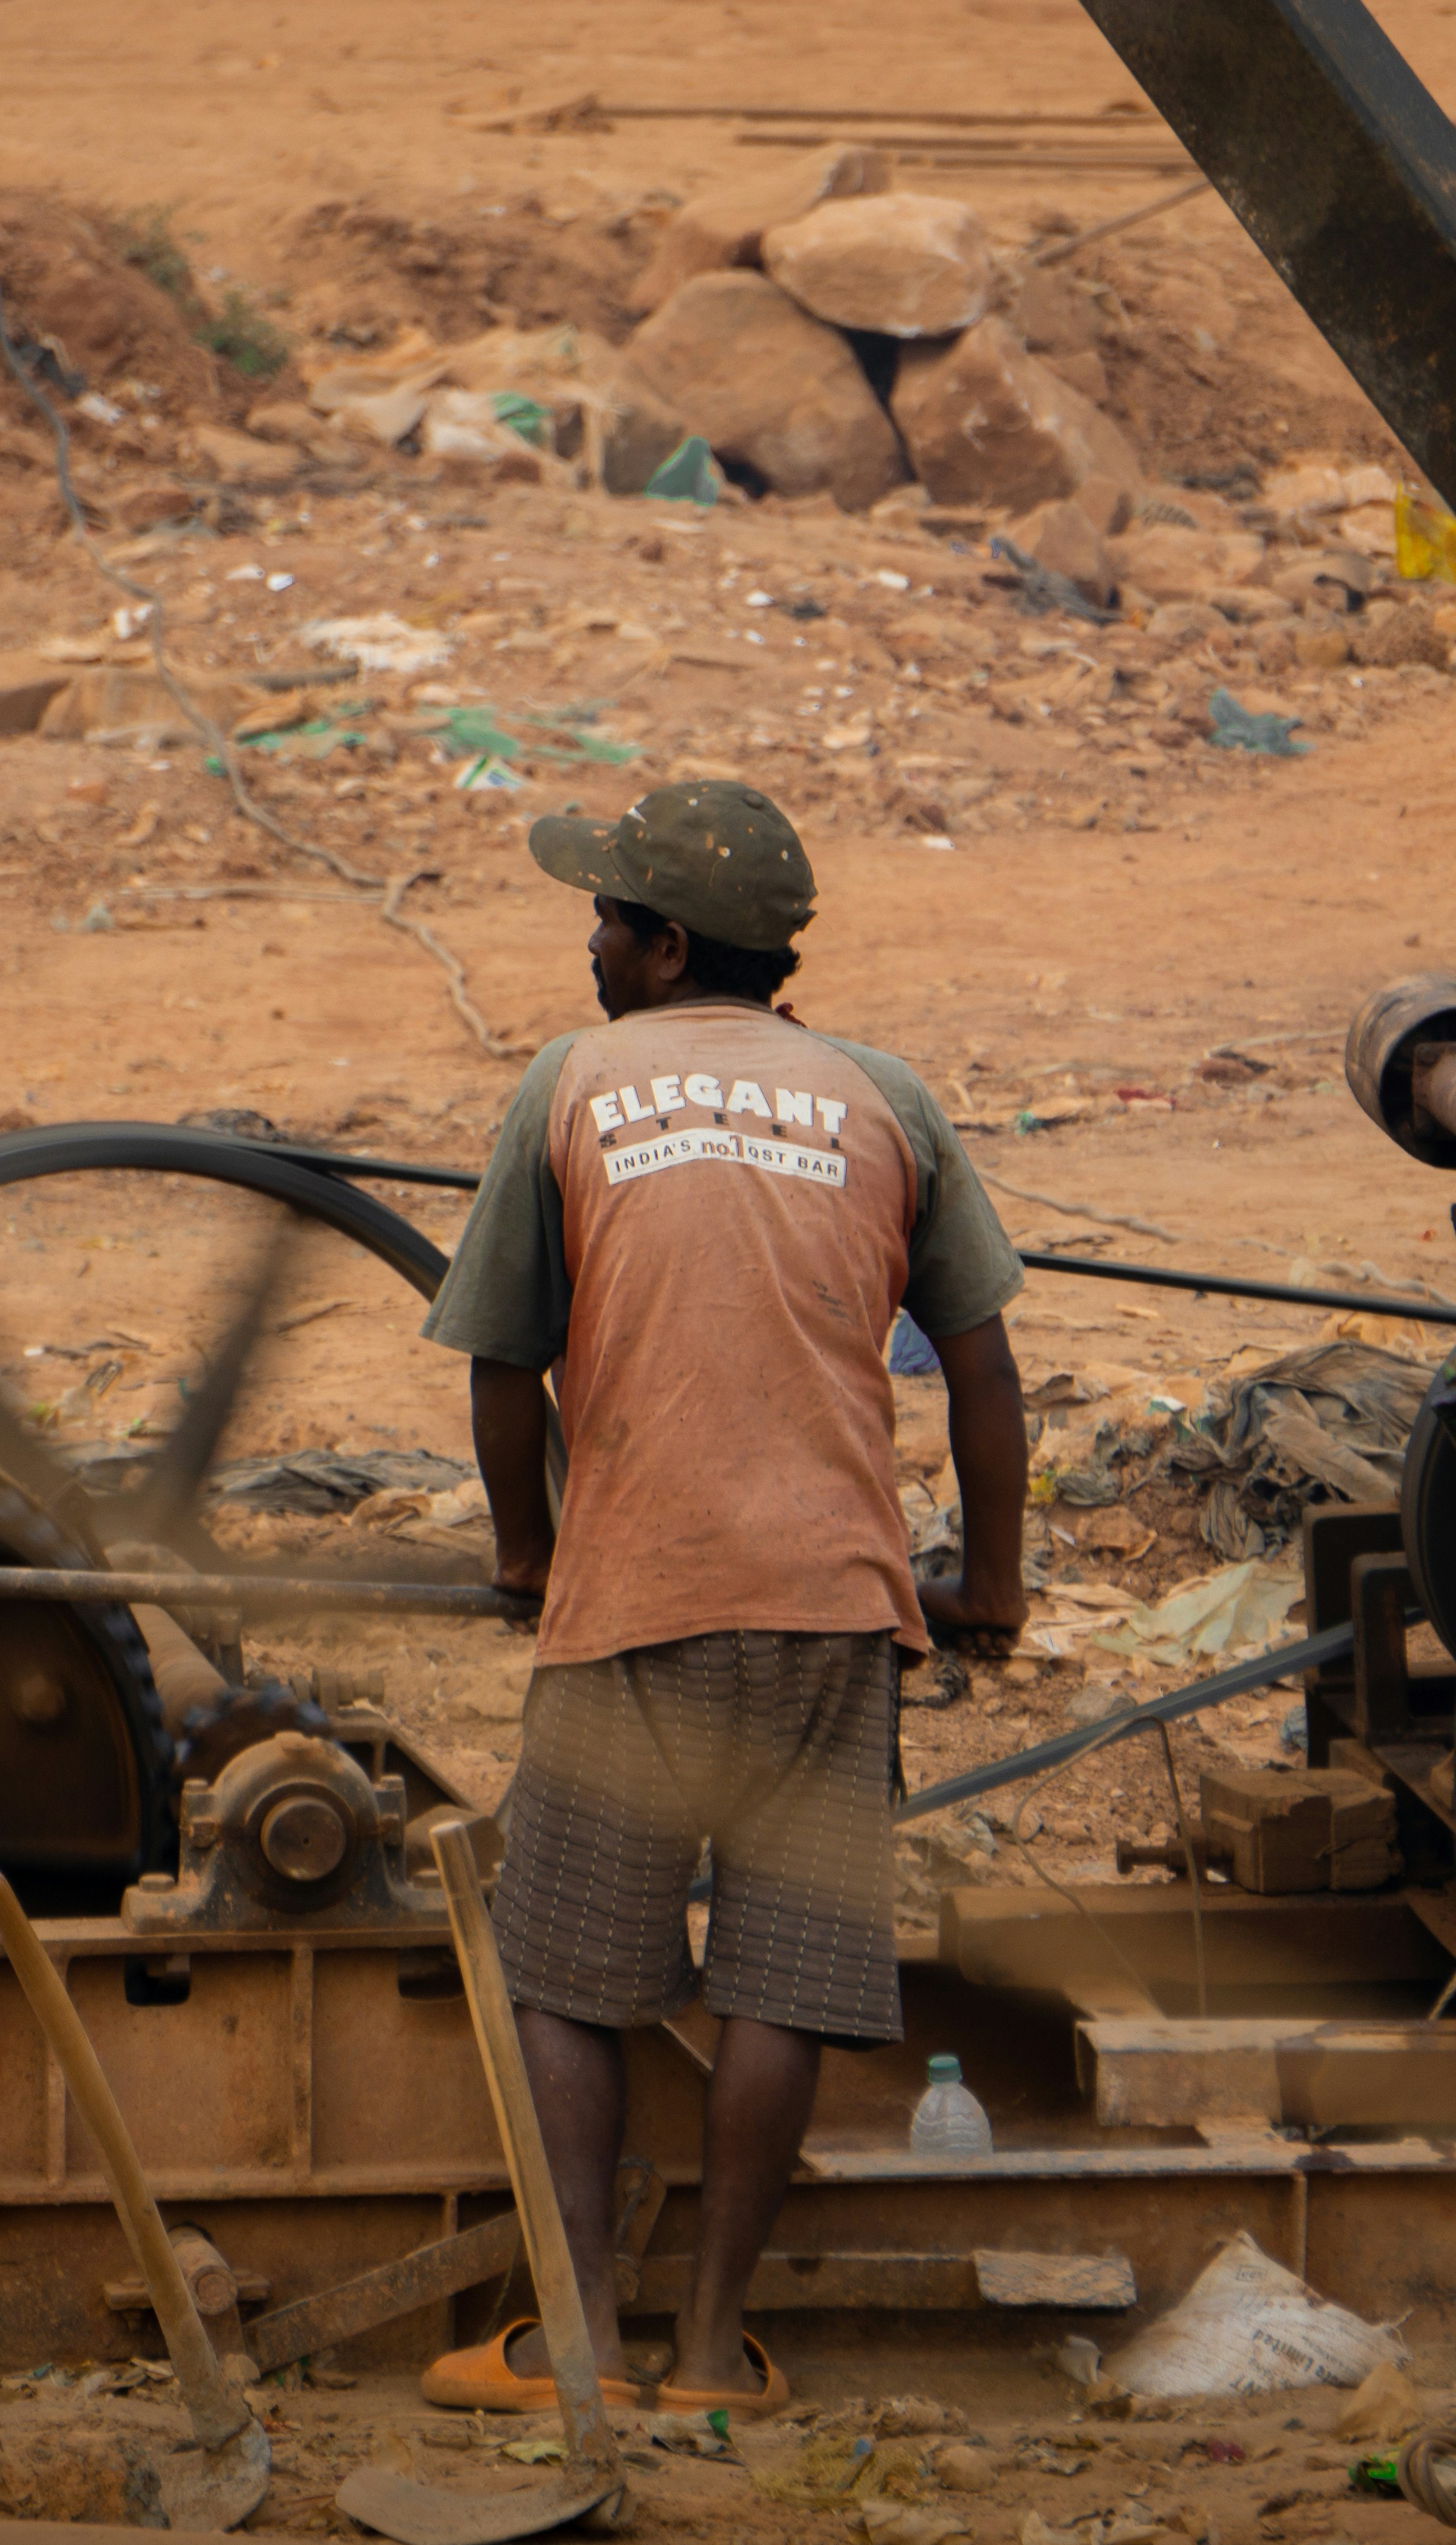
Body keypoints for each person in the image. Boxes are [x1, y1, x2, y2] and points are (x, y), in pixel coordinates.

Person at [417, 779, 1034, 2418]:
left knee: (567, 1967)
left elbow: (503, 1363)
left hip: (635, 1604)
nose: (591, 939)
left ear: (669, 944)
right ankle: (709, 2356)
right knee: (784, 1978)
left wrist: (525, 1550)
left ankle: (587, 2345)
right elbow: (983, 1371)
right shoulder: (884, 1094)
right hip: (835, 1607)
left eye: (608, 917)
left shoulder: (571, 1081)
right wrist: (991, 1583)